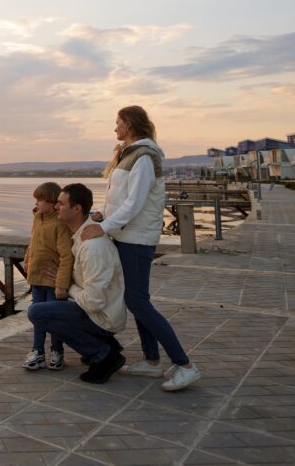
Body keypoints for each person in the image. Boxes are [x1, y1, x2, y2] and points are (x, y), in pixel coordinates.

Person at [82, 105, 202, 391]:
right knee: (136, 300)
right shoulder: (129, 154)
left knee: (139, 302)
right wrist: (102, 213)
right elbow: (119, 198)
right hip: (125, 236)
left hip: (136, 239)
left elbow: (135, 203)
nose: (115, 128)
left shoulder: (144, 157)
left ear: (130, 124)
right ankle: (151, 362)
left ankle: (185, 365)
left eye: (118, 123)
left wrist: (105, 226)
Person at [27, 183, 126, 384]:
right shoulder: (81, 235)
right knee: (48, 309)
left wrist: (66, 285)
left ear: (77, 209)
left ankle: (104, 354)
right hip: (100, 311)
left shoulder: (92, 248)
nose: (56, 207)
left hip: (102, 317)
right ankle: (106, 344)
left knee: (37, 313)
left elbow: (93, 302)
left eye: (61, 204)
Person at [21, 182, 74, 371]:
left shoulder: (60, 225)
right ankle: (37, 351)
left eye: (40, 200)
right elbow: (33, 242)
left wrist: (61, 285)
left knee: (53, 319)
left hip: (52, 282)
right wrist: (27, 258)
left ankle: (57, 351)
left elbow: (66, 256)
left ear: (53, 203)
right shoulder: (37, 218)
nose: (36, 203)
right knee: (38, 317)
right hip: (36, 279)